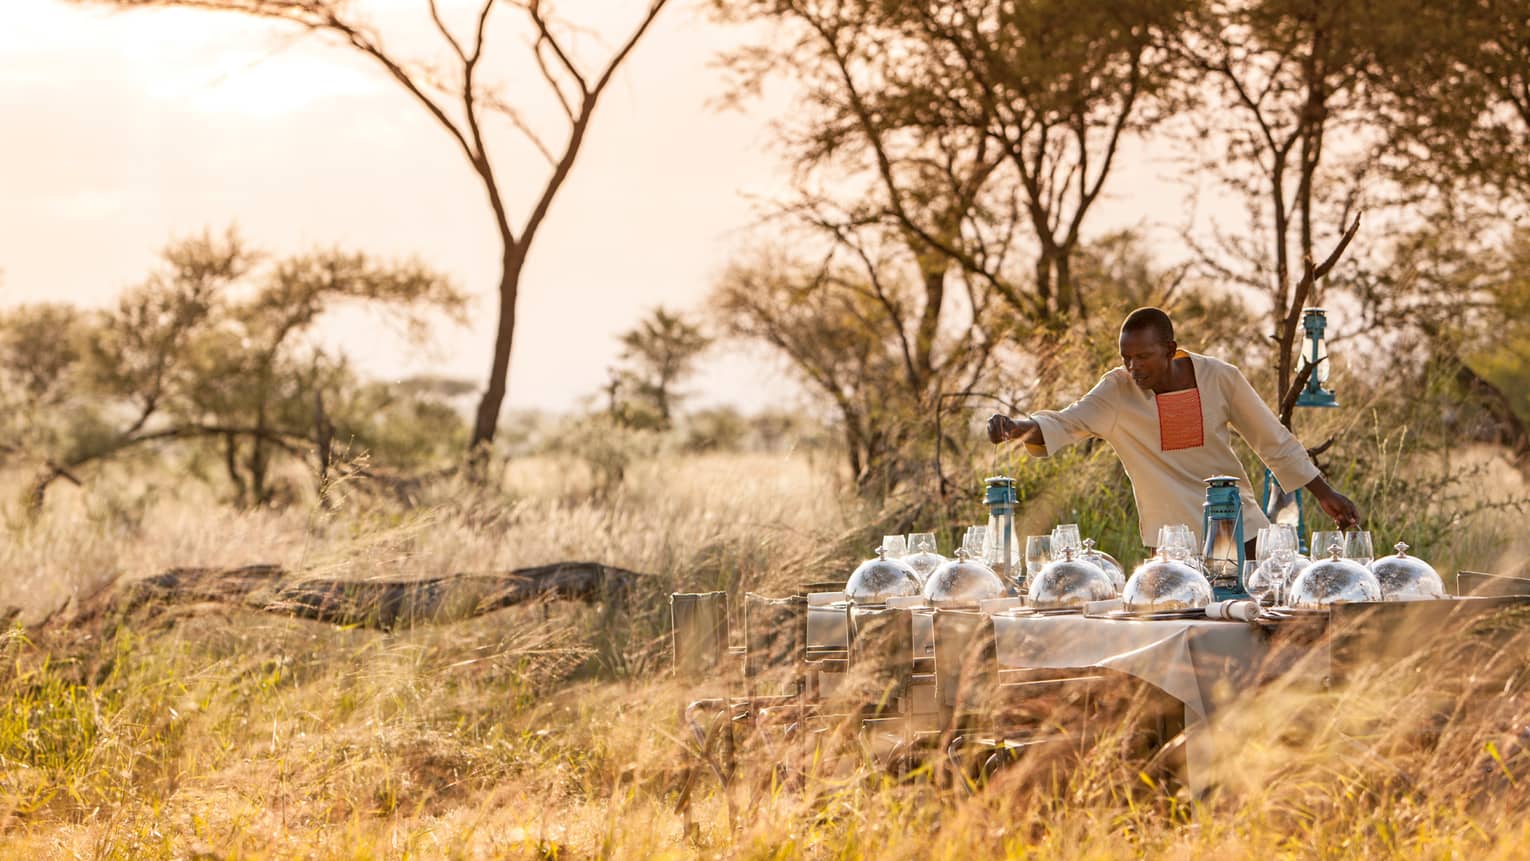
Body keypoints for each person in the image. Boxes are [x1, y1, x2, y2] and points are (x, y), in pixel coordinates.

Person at [986, 307, 1359, 554]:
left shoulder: (1220, 378)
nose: (1133, 367)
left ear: (1170, 349)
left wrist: (1324, 494)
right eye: (1126, 357)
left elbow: (1271, 440)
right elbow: (1065, 423)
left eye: (1143, 356)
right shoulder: (1117, 391)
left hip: (1239, 531)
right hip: (1170, 543)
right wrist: (1016, 428)